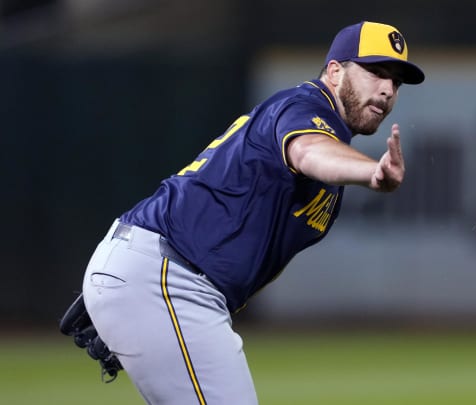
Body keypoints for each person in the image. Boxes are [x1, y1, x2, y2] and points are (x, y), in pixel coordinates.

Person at [78, 21, 425, 404]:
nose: (387, 89)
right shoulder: (304, 106)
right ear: (335, 71)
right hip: (167, 278)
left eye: (396, 81)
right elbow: (309, 151)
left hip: (159, 277)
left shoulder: (327, 134)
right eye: (375, 72)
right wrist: (371, 173)